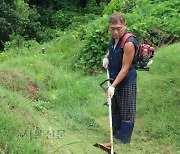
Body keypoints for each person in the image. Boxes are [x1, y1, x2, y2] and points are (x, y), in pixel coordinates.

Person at [103, 13, 138, 144]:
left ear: (124, 25)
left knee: (127, 110)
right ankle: (116, 135)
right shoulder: (114, 39)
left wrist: (112, 86)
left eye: (119, 28)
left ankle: (125, 140)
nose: (116, 32)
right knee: (115, 108)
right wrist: (107, 57)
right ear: (109, 28)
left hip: (126, 81)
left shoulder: (129, 43)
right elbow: (113, 50)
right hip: (114, 79)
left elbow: (125, 68)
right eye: (113, 28)